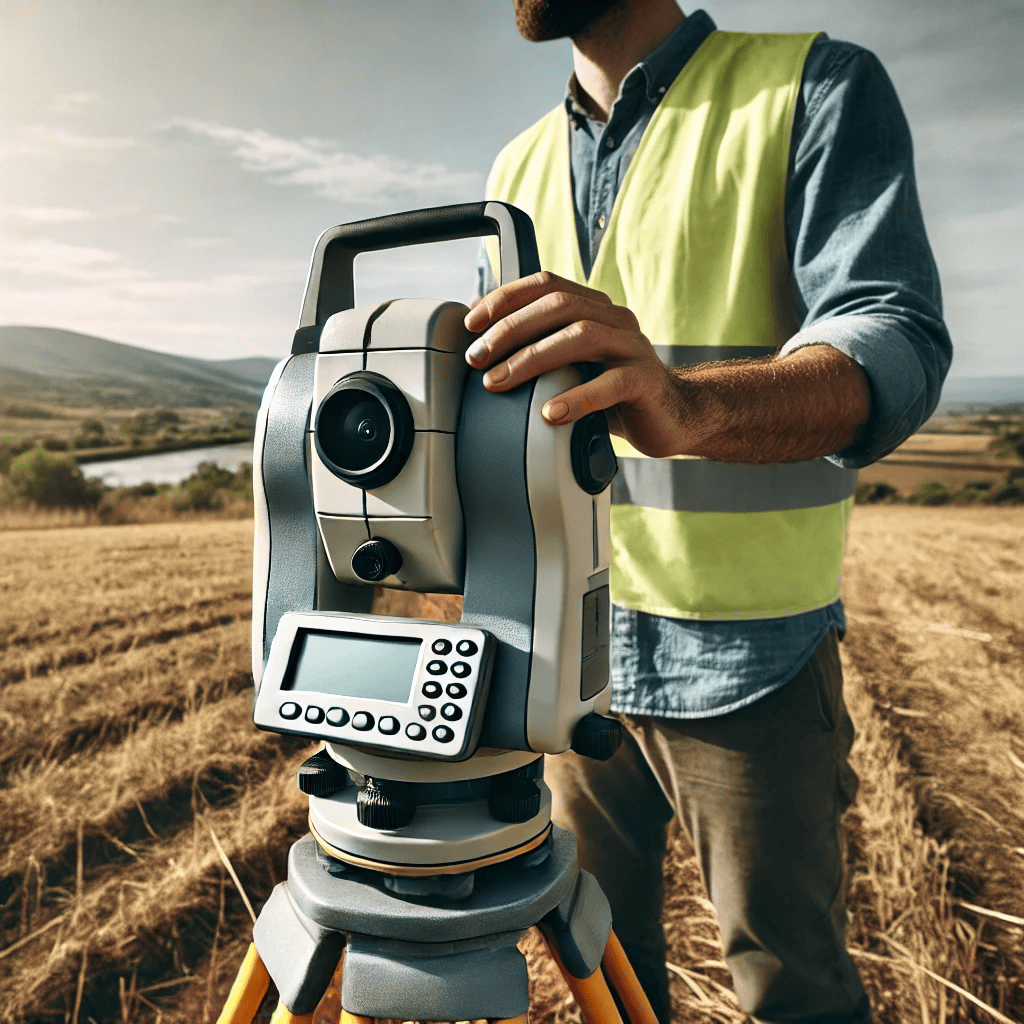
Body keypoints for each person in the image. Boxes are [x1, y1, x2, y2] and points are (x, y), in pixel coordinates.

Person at [466, 1, 952, 1021]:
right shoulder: (511, 167)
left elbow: (893, 337)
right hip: (579, 654)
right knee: (608, 975)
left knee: (791, 986)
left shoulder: (813, 86)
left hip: (751, 659)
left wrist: (691, 406)